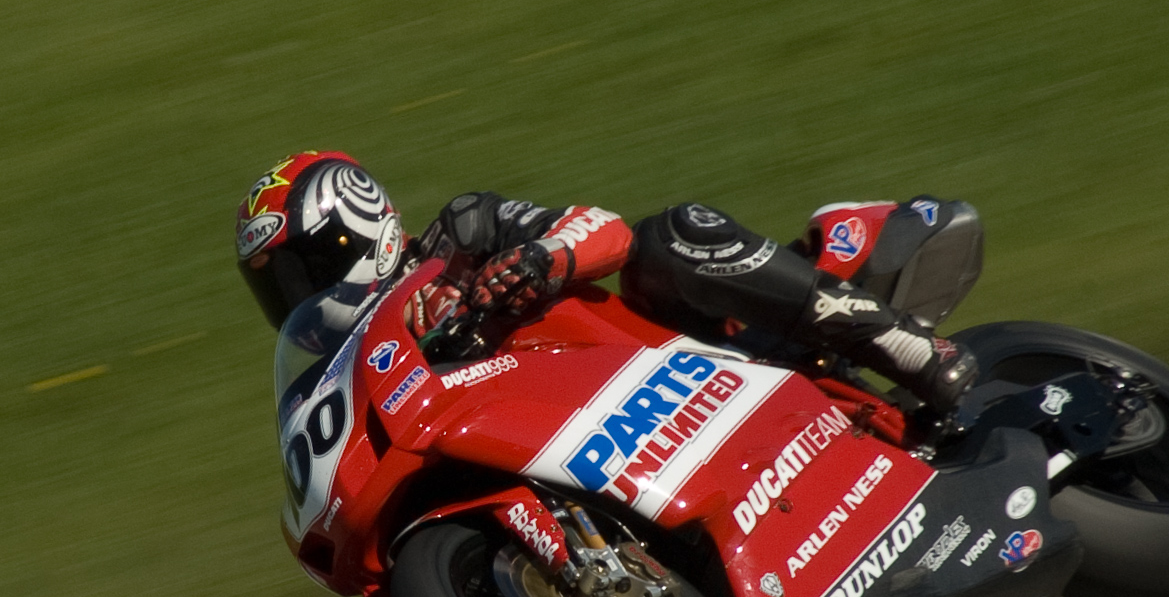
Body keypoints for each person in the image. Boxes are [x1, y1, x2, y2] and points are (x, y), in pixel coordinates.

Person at [234, 150, 979, 411]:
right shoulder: (356, 371)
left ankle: (906, 347)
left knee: (670, 236)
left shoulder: (461, 232)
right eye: (278, 286)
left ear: (360, 222)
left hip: (666, 363)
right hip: (579, 432)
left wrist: (539, 260)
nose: (300, 295)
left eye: (305, 267)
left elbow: (605, 229)